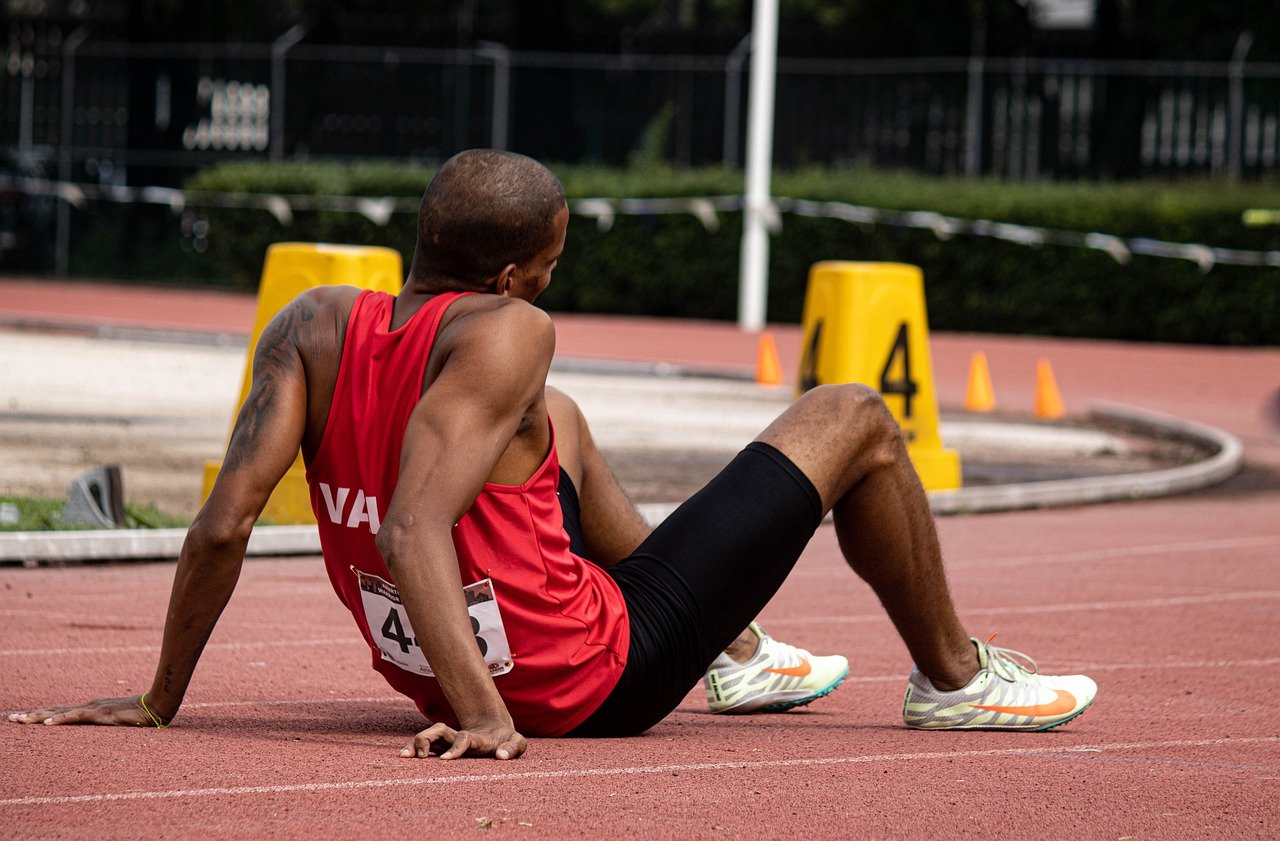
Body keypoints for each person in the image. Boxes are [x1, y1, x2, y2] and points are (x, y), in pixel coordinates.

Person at [8, 150, 1096, 759]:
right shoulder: (513, 330)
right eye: (554, 262)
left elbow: (225, 520)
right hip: (586, 680)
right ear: (519, 273)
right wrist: (486, 717)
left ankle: (745, 652)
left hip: (417, 660)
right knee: (855, 412)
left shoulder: (310, 326)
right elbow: (411, 522)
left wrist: (159, 699)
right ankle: (952, 677)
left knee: (550, 420)